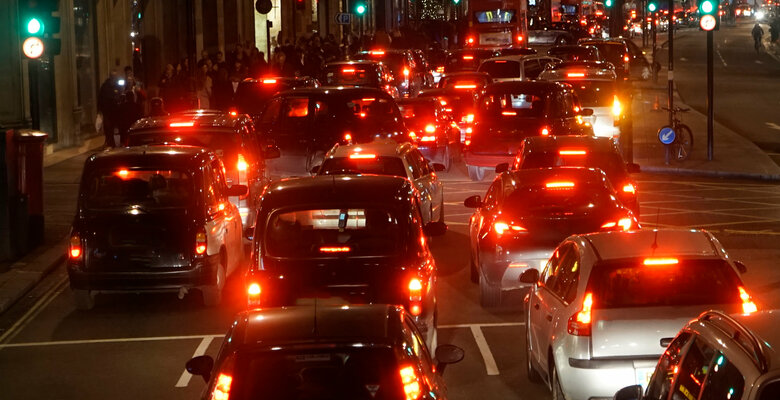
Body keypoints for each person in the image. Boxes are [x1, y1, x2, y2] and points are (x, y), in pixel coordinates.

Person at [97, 70, 123, 147]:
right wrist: (100, 110)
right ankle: (110, 143)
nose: (114, 78)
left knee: (118, 128)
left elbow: (120, 96)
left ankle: (117, 143)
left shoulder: (117, 86)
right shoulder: (105, 86)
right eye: (113, 76)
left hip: (116, 110)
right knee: (109, 128)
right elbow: (101, 99)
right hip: (107, 111)